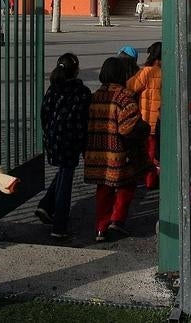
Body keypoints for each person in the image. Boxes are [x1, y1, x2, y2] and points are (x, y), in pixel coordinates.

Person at [85, 57, 151, 242]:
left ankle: (100, 228)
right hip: (119, 152)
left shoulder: (95, 96)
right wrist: (144, 128)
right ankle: (117, 221)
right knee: (127, 186)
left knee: (103, 190)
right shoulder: (124, 97)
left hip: (98, 152)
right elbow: (127, 128)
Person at [34, 53, 91, 238]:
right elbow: (83, 121)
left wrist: (50, 134)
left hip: (53, 140)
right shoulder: (81, 92)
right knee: (66, 182)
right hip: (71, 141)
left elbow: (44, 114)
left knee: (63, 173)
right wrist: (84, 146)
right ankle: (59, 227)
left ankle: (45, 205)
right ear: (76, 70)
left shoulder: (53, 89)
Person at [127, 42, 162, 190]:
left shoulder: (147, 71)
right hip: (159, 120)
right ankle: (152, 179)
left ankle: (148, 181)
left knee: (145, 152)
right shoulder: (166, 71)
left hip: (145, 119)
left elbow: (130, 86)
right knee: (154, 153)